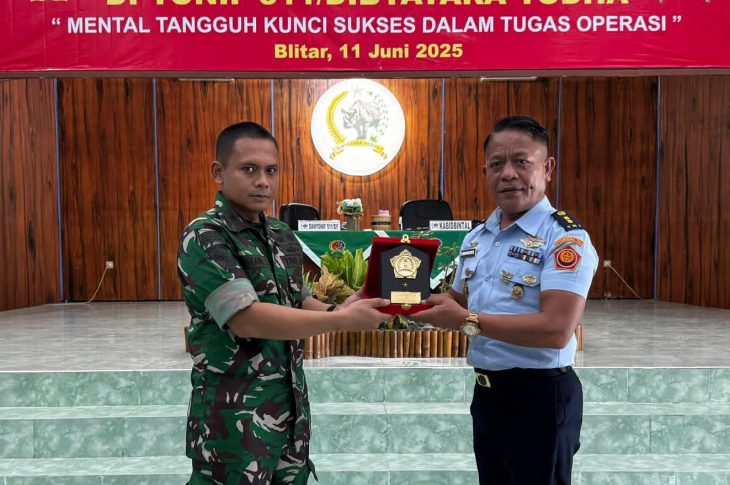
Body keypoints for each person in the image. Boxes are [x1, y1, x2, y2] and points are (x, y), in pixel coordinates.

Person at [177, 121, 391, 485]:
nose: (263, 181)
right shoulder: (205, 235)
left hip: (289, 412)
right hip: (232, 421)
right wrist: (341, 321)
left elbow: (298, 300)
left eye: (271, 171)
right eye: (249, 169)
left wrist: (340, 309)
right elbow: (246, 318)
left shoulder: (281, 234)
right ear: (219, 172)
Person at [411, 115, 598, 485]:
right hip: (488, 396)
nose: (508, 174)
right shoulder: (478, 238)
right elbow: (455, 301)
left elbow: (556, 330)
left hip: (540, 398)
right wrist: (401, 302)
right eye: (496, 164)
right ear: (485, 172)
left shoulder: (564, 239)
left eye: (521, 162)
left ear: (547, 168)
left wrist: (466, 321)